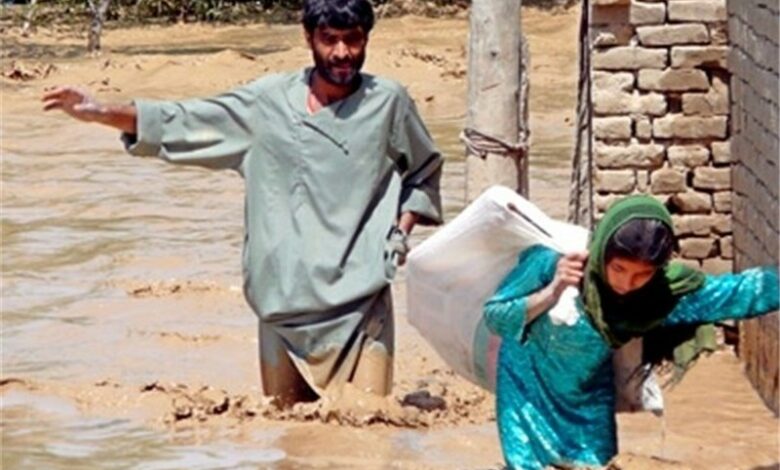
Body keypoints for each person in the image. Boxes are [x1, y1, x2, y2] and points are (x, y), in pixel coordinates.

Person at [42, 0, 443, 407]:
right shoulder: (265, 105)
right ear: (308, 38)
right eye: (330, 40)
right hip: (280, 304)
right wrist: (101, 112)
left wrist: (399, 231)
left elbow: (424, 170)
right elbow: (186, 120)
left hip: (361, 304)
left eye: (353, 40)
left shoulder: (388, 102)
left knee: (369, 432)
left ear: (366, 39)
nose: (342, 53)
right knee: (289, 442)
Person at [483, 195, 779, 469]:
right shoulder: (555, 262)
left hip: (588, 396)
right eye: (619, 269)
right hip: (526, 386)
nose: (626, 283)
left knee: (595, 464)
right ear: (601, 252)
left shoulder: (661, 296)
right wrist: (552, 292)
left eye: (642, 275)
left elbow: (741, 292)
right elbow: (495, 316)